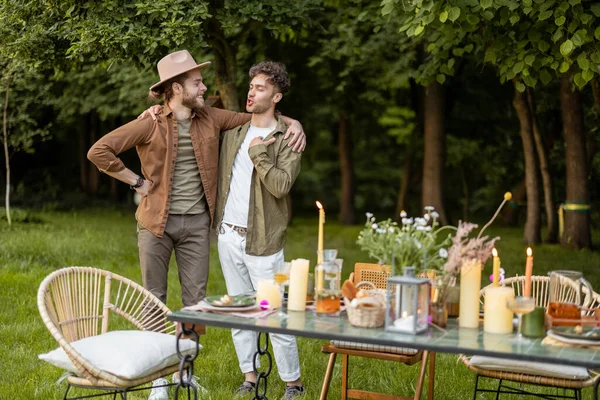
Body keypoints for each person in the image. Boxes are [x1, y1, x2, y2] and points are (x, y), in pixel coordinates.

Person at [87, 50, 305, 400]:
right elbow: (100, 151)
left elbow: (260, 118)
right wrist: (135, 182)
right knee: (153, 300)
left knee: (197, 305)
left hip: (199, 227)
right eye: (196, 82)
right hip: (155, 223)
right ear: (176, 88)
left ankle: (185, 374)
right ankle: (160, 378)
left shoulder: (212, 118)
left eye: (201, 81)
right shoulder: (151, 121)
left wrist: (294, 123)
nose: (204, 87)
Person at [214, 61, 304, 399]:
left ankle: (293, 384)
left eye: (261, 88)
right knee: (239, 312)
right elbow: (199, 113)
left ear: (277, 96)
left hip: (264, 241)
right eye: (251, 87)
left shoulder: (287, 138)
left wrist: (259, 156)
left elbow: (281, 186)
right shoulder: (234, 133)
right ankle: (249, 377)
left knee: (273, 315)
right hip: (228, 236)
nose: (252, 92)